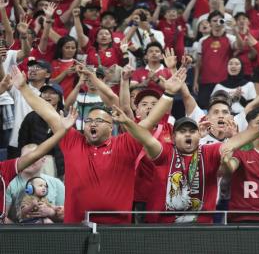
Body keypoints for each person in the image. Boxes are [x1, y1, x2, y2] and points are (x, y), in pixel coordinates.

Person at [13, 65, 186, 224]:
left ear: (111, 127)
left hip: (117, 228)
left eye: (98, 120)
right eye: (88, 120)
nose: (92, 123)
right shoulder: (72, 140)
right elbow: (47, 112)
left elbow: (149, 121)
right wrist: (23, 88)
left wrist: (168, 94)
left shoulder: (125, 143)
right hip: (77, 226)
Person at [111, 95, 259, 224]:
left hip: (200, 229)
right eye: (182, 131)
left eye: (191, 131)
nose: (187, 134)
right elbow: (145, 137)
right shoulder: (164, 153)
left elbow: (238, 140)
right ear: (173, 136)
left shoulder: (209, 152)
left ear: (199, 134)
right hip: (162, 227)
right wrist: (127, 122)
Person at [1, 67, 74, 223]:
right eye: (45, 92)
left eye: (52, 93)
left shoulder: (4, 170)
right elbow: (33, 152)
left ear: (60, 97)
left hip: (53, 163)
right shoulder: (31, 118)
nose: (48, 96)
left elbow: (64, 216)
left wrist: (52, 212)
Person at [5, 144, 64, 224]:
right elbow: (2, 218)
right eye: (25, 157)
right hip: (18, 232)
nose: (28, 161)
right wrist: (20, 232)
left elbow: (67, 216)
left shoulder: (56, 183)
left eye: (33, 157)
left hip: (50, 232)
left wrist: (51, 212)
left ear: (43, 160)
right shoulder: (8, 183)